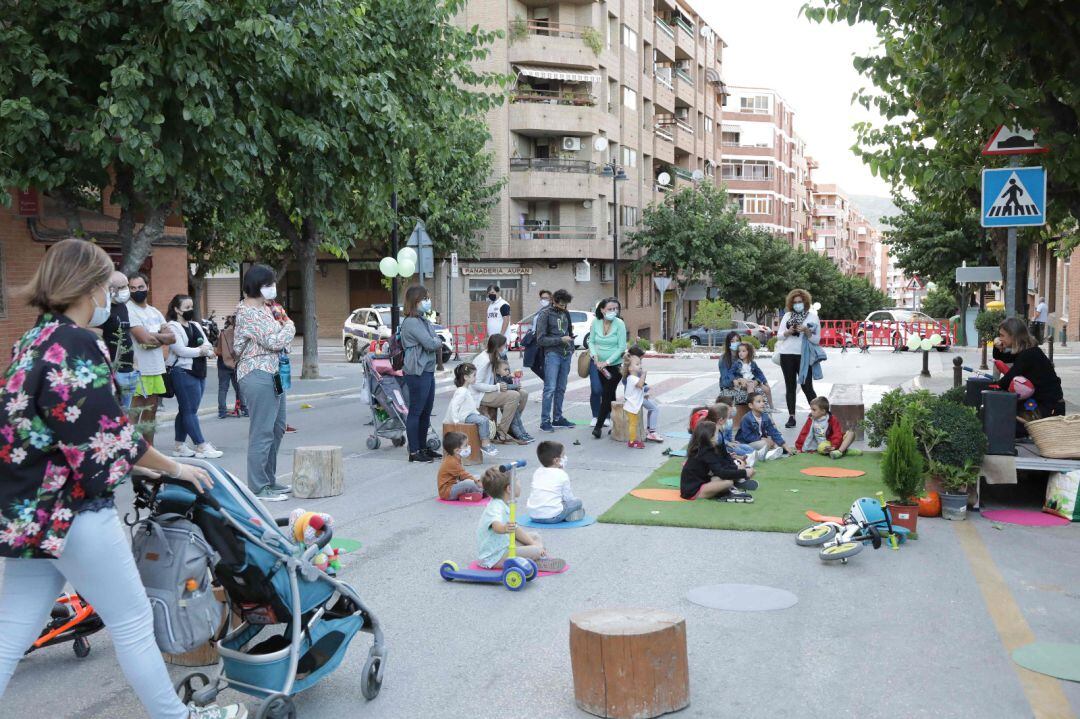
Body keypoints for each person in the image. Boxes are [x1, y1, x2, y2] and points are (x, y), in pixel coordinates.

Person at [0, 238, 245, 719]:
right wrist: (177, 467)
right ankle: (179, 718)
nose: (107, 297)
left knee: (10, 631)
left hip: (29, 512)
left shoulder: (30, 341)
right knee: (132, 621)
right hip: (72, 511)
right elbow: (108, 433)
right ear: (86, 286)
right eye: (105, 285)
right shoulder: (77, 342)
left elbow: (53, 429)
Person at [234, 265, 295, 500]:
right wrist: (289, 327)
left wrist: (284, 333)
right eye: (269, 284)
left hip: (275, 372)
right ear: (258, 285)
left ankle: (270, 480)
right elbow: (274, 340)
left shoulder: (269, 309)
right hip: (257, 372)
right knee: (263, 431)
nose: (273, 288)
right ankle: (258, 486)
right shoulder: (247, 312)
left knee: (278, 428)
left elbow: (282, 342)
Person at [164, 295, 221, 459]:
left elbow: (207, 343)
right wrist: (200, 351)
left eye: (191, 307)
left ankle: (179, 446)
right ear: (176, 309)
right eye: (186, 308)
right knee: (189, 411)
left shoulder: (195, 325)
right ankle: (201, 445)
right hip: (182, 372)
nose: (190, 311)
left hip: (199, 370)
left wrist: (206, 350)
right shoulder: (172, 327)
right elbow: (181, 350)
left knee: (186, 410)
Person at [476, 466, 565, 572]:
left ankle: (537, 555)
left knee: (535, 537)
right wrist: (504, 528)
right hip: (495, 557)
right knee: (535, 549)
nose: (520, 484)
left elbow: (516, 530)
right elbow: (496, 526)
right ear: (509, 489)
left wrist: (533, 542)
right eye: (517, 481)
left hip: (504, 545)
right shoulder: (496, 507)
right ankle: (538, 560)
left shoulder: (504, 503)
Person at [126, 272, 176, 445]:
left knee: (149, 419)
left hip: (156, 369)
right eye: (132, 288)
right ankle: (131, 455)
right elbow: (143, 340)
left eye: (140, 287)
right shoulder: (128, 309)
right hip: (138, 370)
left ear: (148, 287)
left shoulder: (154, 311)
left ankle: (150, 453)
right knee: (133, 418)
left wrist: (153, 337)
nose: (136, 290)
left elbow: (172, 338)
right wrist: (158, 337)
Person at [400, 285, 444, 463]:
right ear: (415, 302)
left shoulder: (423, 320)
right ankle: (414, 451)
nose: (428, 301)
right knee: (416, 411)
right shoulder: (411, 322)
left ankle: (424, 447)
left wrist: (436, 341)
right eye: (424, 299)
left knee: (426, 411)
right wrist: (435, 341)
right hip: (417, 370)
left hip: (427, 369)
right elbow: (431, 343)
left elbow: (436, 339)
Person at [992, 317, 1065, 421]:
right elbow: (1001, 357)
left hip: (1049, 408)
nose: (1000, 338)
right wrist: (997, 346)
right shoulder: (1026, 351)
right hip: (1043, 403)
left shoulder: (1028, 354)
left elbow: (1007, 380)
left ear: (1013, 336)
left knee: (1007, 422)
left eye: (1002, 335)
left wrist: (990, 387)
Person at [472, 334, 531, 444]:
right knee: (514, 395)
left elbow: (497, 377)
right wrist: (496, 387)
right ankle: (502, 432)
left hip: (491, 390)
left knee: (523, 394)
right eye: (504, 346)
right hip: (479, 395)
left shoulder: (494, 356)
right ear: (498, 347)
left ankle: (511, 427)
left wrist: (509, 376)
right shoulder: (484, 360)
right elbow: (475, 384)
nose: (505, 348)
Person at [679, 420, 757, 502]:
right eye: (717, 433)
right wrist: (744, 473)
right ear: (710, 436)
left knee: (720, 478)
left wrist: (738, 470)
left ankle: (733, 486)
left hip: (701, 483)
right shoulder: (705, 452)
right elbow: (721, 472)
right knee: (728, 482)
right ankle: (729, 491)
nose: (719, 435)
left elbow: (721, 467)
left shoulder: (706, 449)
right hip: (692, 492)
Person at [776, 289, 820, 428]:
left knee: (807, 386)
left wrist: (807, 331)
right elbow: (779, 335)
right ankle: (791, 417)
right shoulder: (787, 316)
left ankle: (818, 414)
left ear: (805, 302)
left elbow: (817, 340)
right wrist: (788, 332)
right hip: (787, 355)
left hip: (804, 356)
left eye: (800, 302)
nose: (797, 305)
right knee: (790, 387)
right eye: (794, 302)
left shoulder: (812, 317)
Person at [535, 288, 576, 432]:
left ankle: (557, 418)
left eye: (566, 305)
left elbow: (569, 332)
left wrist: (571, 345)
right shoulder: (545, 314)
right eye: (562, 304)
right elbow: (540, 340)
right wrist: (560, 340)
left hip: (566, 354)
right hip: (552, 354)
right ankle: (544, 421)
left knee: (561, 388)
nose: (564, 307)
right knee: (550, 388)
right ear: (554, 301)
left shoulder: (566, 313)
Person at [99, 271, 138, 411]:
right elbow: (98, 339)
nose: (126, 290)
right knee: (115, 416)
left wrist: (135, 365)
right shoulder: (103, 310)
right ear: (110, 289)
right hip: (114, 372)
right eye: (122, 287)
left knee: (124, 416)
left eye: (127, 286)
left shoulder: (122, 306)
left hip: (129, 371)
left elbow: (126, 335)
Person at [589, 298, 627, 440]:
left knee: (606, 393)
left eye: (616, 309)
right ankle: (614, 422)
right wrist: (595, 357)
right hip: (598, 364)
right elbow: (591, 341)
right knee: (607, 393)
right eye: (610, 309)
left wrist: (607, 362)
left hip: (615, 365)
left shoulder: (620, 324)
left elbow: (621, 347)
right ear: (602, 310)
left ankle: (598, 426)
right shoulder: (596, 322)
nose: (613, 312)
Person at [446, 363, 499, 457]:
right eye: (474, 375)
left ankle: (485, 442)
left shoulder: (466, 389)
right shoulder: (461, 391)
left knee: (484, 419)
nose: (475, 378)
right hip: (463, 416)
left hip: (467, 414)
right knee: (483, 421)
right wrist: (455, 420)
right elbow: (454, 405)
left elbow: (470, 406)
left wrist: (477, 413)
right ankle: (485, 444)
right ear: (466, 377)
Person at [526, 440, 584, 523]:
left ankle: (564, 514)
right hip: (553, 517)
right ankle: (567, 516)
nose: (565, 458)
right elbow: (568, 498)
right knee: (578, 502)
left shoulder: (537, 472)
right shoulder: (562, 474)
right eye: (563, 456)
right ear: (556, 461)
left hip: (533, 516)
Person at [796, 397, 861, 459]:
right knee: (821, 447)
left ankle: (839, 451)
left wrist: (834, 445)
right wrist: (799, 447)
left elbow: (837, 433)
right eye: (811, 409)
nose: (811, 412)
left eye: (814, 410)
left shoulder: (832, 419)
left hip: (835, 442)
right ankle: (844, 450)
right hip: (824, 445)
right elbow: (804, 433)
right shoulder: (811, 420)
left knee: (851, 433)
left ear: (823, 411)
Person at [490, 356, 534, 443]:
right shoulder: (497, 378)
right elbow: (505, 386)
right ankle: (519, 435)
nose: (507, 371)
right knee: (514, 419)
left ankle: (523, 432)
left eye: (508, 369)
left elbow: (509, 383)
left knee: (517, 418)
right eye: (505, 369)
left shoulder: (505, 377)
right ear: (497, 371)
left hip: (510, 401)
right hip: (505, 403)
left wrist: (511, 378)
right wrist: (515, 386)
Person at [735, 392, 790, 460]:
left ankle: (775, 450)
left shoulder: (765, 416)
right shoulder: (746, 418)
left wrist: (784, 445)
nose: (762, 403)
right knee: (764, 443)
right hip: (747, 443)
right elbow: (748, 437)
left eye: (763, 401)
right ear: (750, 405)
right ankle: (769, 452)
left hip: (761, 440)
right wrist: (762, 438)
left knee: (779, 438)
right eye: (759, 402)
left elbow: (773, 432)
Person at [626, 346, 664, 443]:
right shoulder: (632, 374)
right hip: (635, 400)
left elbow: (640, 386)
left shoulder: (633, 370)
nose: (640, 365)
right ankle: (651, 432)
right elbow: (639, 384)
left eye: (640, 363)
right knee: (654, 409)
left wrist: (645, 390)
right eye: (638, 363)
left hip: (638, 397)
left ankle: (650, 430)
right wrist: (643, 377)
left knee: (653, 406)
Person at [215, 313, 248, 418]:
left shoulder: (223, 333)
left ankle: (222, 411)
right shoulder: (242, 334)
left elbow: (218, 351)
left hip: (223, 362)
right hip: (236, 363)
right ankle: (244, 408)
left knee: (223, 388)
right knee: (239, 387)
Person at [437, 431, 484, 500]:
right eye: (465, 445)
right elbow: (464, 475)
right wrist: (477, 482)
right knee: (469, 483)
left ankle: (477, 490)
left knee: (478, 477)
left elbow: (461, 476)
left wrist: (478, 480)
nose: (468, 447)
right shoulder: (451, 462)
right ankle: (479, 492)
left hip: (453, 486)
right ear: (457, 450)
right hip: (447, 493)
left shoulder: (455, 457)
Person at [728, 342, 775, 410]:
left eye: (743, 351)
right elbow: (730, 373)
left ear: (749, 352)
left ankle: (771, 407)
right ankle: (753, 408)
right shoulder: (737, 363)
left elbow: (759, 373)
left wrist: (765, 382)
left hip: (752, 380)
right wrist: (734, 380)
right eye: (739, 351)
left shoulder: (752, 363)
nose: (740, 353)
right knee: (750, 387)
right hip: (743, 382)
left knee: (767, 389)